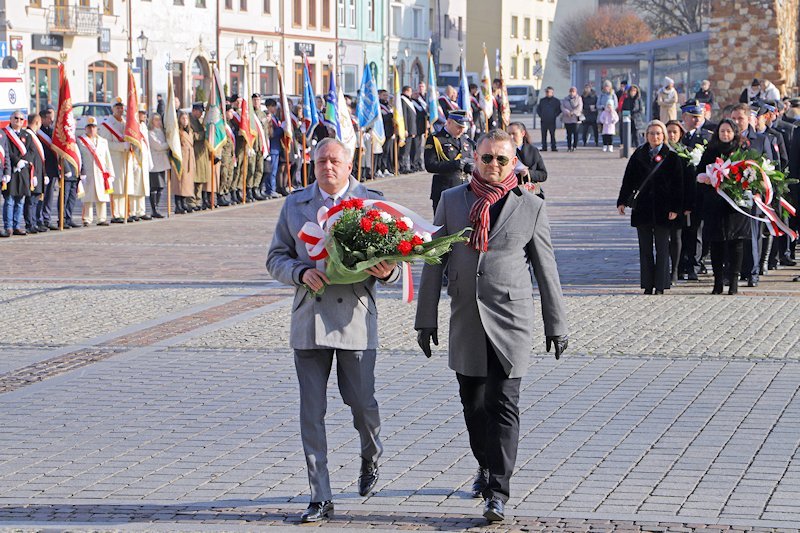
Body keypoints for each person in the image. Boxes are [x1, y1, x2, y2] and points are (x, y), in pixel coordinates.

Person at [415, 128, 568, 523]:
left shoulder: (530, 205)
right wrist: (425, 318)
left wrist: (556, 324)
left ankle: (498, 491)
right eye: (487, 158)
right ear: (476, 158)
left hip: (511, 319)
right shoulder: (451, 201)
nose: (495, 165)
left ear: (514, 160)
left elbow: (546, 269)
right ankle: (484, 465)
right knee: (474, 404)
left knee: (504, 404)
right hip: (466, 318)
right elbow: (434, 260)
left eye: (503, 159)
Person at [266, 137, 400, 523]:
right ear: (313, 163)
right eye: (322, 160)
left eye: (335, 161)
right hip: (309, 318)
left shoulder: (372, 202)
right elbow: (276, 256)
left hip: (355, 316)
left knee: (362, 403)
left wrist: (388, 272)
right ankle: (319, 495)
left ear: (349, 163)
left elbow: (399, 257)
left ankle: (370, 452)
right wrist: (299, 271)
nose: (328, 166)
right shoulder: (295, 204)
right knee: (312, 411)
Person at [616, 120, 683, 294]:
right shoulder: (638, 154)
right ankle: (647, 284)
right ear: (646, 136)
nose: (655, 136)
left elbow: (678, 185)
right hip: (643, 208)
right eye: (652, 133)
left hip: (664, 209)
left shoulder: (672, 156)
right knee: (645, 249)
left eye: (658, 133)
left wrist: (675, 208)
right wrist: (622, 201)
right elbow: (628, 180)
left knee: (662, 249)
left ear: (664, 136)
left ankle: (660, 285)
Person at [697, 119, 750, 295]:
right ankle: (718, 282)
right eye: (722, 132)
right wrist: (705, 179)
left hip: (736, 206)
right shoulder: (710, 151)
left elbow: (751, 175)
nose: (725, 134)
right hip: (715, 205)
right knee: (716, 244)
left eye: (728, 131)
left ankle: (733, 282)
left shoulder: (741, 151)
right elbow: (699, 173)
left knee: (736, 243)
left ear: (734, 133)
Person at [730, 102, 774, 286]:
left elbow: (770, 167)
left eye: (740, 118)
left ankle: (753, 273)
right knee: (733, 235)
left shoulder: (761, 140)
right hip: (732, 194)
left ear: (749, 119)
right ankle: (733, 271)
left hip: (753, 194)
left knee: (753, 235)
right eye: (733, 118)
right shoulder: (728, 139)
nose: (737, 122)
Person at [678, 103, 712, 281]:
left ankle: (696, 263)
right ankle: (681, 263)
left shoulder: (707, 137)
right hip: (681, 191)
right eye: (692, 116)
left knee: (697, 230)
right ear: (684, 117)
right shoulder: (678, 136)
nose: (696, 120)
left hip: (699, 191)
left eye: (699, 116)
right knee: (682, 230)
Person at [424, 110, 475, 213]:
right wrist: (454, 165)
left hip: (464, 189)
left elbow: (469, 158)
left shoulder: (465, 139)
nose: (461, 130)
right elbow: (430, 165)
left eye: (463, 127)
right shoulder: (436, 139)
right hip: (445, 188)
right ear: (449, 122)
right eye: (458, 127)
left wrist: (470, 167)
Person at [99, 97, 134, 223]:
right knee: (117, 188)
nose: (120, 110)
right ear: (112, 109)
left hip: (125, 159)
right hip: (114, 159)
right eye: (117, 108)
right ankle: (116, 214)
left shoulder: (126, 123)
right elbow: (105, 144)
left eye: (121, 107)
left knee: (125, 187)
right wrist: (121, 147)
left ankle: (125, 212)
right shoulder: (107, 125)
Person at [77, 116, 113, 226]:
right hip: (87, 173)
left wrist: (110, 173)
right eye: (89, 127)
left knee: (101, 197)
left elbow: (107, 158)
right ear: (85, 128)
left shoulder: (103, 141)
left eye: (93, 127)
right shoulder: (81, 141)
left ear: (97, 128)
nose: (91, 129)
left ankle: (101, 218)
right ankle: (87, 219)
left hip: (101, 173)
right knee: (87, 197)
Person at [665, 119, 689, 284]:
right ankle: (664, 268)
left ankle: (675, 270)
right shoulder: (660, 151)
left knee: (676, 236)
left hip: (679, 200)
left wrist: (688, 204)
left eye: (675, 132)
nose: (672, 135)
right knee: (661, 237)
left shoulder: (685, 152)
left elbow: (689, 180)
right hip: (661, 201)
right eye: (669, 132)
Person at [2, 111, 33, 237]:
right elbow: (6, 150)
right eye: (16, 118)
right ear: (11, 118)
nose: (18, 121)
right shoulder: (5, 134)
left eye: (21, 119)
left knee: (20, 200)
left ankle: (16, 226)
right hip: (11, 171)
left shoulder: (27, 134)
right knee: (9, 200)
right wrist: (16, 161)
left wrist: (24, 161)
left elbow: (31, 151)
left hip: (23, 171)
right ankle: (8, 226)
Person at [508, 122, 547, 198]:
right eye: (509, 134)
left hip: (531, 193)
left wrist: (529, 173)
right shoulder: (504, 152)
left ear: (523, 133)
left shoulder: (533, 150)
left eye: (514, 133)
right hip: (511, 194)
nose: (511, 137)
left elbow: (543, 175)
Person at [36, 105, 58, 232]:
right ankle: (38, 219)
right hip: (42, 169)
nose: (51, 121)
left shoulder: (51, 130)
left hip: (52, 168)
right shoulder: (38, 133)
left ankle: (46, 219)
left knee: (49, 196)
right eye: (49, 119)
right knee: (40, 196)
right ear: (42, 119)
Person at [129, 104, 152, 221]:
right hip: (135, 159)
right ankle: (132, 211)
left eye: (145, 113)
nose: (144, 115)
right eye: (142, 113)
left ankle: (141, 210)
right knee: (135, 185)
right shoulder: (133, 126)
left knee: (142, 185)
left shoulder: (143, 126)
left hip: (144, 159)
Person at [24, 113, 45, 233]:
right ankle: (29, 223)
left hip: (38, 173)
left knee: (36, 199)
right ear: (37, 122)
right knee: (30, 201)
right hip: (32, 173)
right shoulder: (28, 135)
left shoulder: (34, 135)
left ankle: (34, 222)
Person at [172, 112, 196, 214]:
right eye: (183, 118)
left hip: (189, 159)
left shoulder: (190, 131)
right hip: (181, 159)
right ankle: (178, 205)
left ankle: (184, 203)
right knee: (179, 183)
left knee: (186, 184)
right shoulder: (177, 132)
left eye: (186, 118)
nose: (185, 120)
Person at [147, 113, 169, 218]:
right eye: (156, 120)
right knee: (155, 186)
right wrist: (169, 144)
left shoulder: (161, 132)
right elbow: (158, 146)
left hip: (162, 162)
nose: (158, 122)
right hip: (155, 163)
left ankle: (157, 206)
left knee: (161, 187)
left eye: (159, 120)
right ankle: (154, 209)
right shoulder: (150, 133)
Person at [189, 103, 210, 210]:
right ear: (194, 110)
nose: (201, 114)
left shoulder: (200, 121)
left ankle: (198, 200)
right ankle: (192, 201)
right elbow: (191, 135)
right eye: (200, 112)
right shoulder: (188, 120)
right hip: (194, 153)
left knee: (200, 178)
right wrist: (204, 135)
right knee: (194, 179)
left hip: (202, 153)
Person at [399, 85, 418, 173]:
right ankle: (402, 166)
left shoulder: (409, 101)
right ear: (406, 91)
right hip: (407, 129)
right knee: (405, 149)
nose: (411, 93)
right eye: (410, 91)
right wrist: (405, 128)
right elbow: (405, 116)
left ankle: (406, 166)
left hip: (411, 129)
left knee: (408, 149)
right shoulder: (403, 100)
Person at [411, 82, 429, 171]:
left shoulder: (426, 98)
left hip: (422, 125)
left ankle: (418, 162)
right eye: (419, 87)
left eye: (422, 87)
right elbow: (421, 111)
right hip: (416, 125)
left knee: (419, 146)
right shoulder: (414, 101)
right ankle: (414, 163)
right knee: (415, 146)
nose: (421, 88)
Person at [536, 86, 560, 151]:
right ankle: (544, 147)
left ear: (552, 92)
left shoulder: (556, 101)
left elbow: (559, 110)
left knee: (552, 134)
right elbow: (538, 109)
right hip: (544, 120)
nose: (547, 93)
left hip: (552, 120)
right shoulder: (542, 100)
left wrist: (554, 115)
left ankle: (553, 147)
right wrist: (541, 115)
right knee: (543, 135)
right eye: (546, 92)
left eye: (548, 92)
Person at [560, 86, 583, 152]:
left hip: (575, 118)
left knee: (575, 133)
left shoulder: (579, 98)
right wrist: (567, 112)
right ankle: (569, 146)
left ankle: (574, 146)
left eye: (573, 92)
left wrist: (572, 113)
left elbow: (579, 107)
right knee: (568, 134)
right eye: (571, 91)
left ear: (576, 92)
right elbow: (562, 106)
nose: (572, 93)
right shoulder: (565, 99)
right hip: (567, 118)